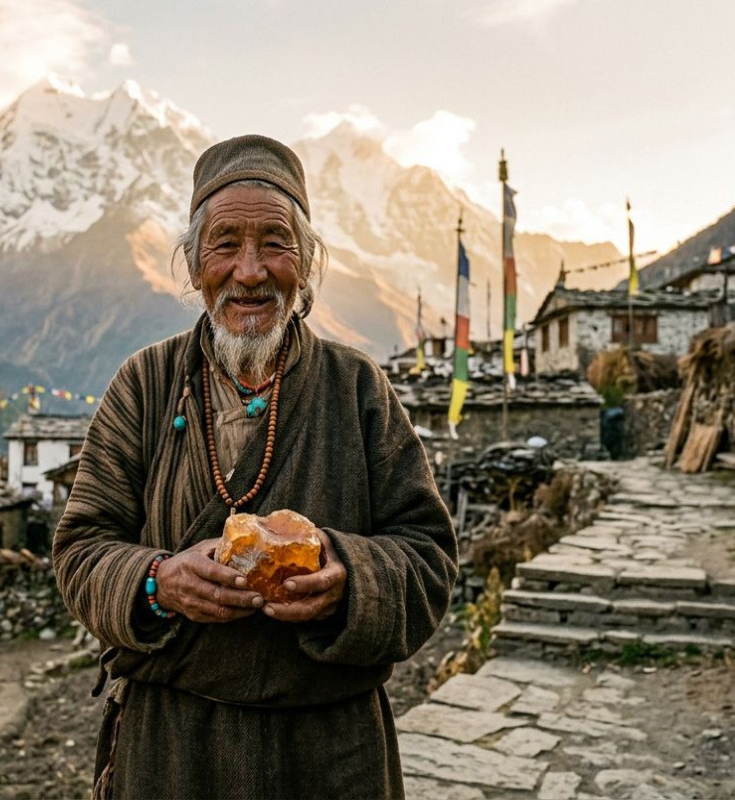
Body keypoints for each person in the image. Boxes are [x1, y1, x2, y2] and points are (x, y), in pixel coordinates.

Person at [53, 134, 457, 799]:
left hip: (330, 756)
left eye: (275, 243)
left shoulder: (357, 389)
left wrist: (348, 577)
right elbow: (80, 549)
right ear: (192, 265)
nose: (250, 271)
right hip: (173, 753)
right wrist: (158, 581)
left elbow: (430, 557)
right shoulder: (146, 386)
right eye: (225, 244)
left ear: (307, 265)